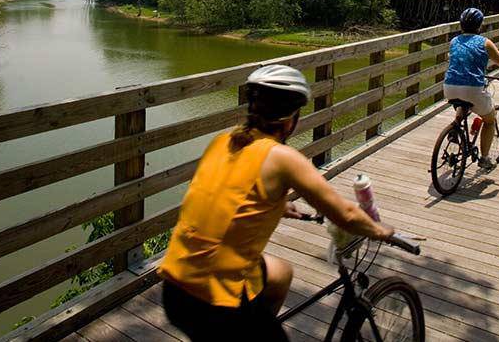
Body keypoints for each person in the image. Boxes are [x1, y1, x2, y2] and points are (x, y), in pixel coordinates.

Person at [158, 64, 395, 341]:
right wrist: (382, 231)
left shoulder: (223, 141)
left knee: (281, 274)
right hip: (213, 302)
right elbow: (347, 214)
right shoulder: (283, 157)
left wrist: (277, 205)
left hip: (174, 287)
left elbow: (222, 193)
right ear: (292, 119)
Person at [443, 7, 499, 170]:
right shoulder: (485, 42)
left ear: (461, 24)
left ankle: (455, 127)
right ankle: (485, 158)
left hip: (449, 87)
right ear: (480, 26)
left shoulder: (454, 41)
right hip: (472, 89)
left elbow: (450, 58)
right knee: (489, 120)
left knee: (461, 103)